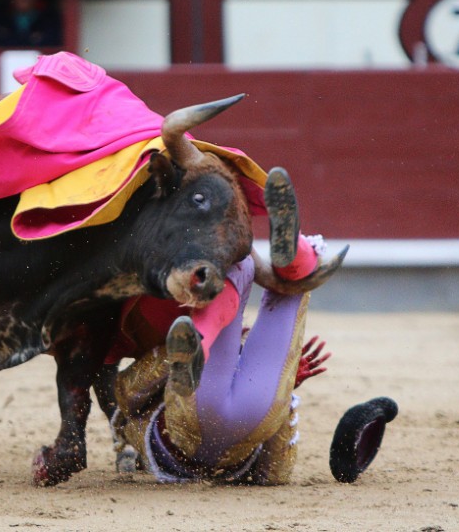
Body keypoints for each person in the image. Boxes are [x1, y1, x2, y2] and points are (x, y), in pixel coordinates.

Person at [106, 167, 345, 484]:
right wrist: (286, 389)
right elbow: (275, 476)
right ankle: (295, 258)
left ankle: (200, 343)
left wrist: (170, 358)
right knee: (270, 281)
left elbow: (125, 394)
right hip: (252, 419)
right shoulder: (138, 420)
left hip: (199, 419)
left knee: (239, 265)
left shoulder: (132, 425)